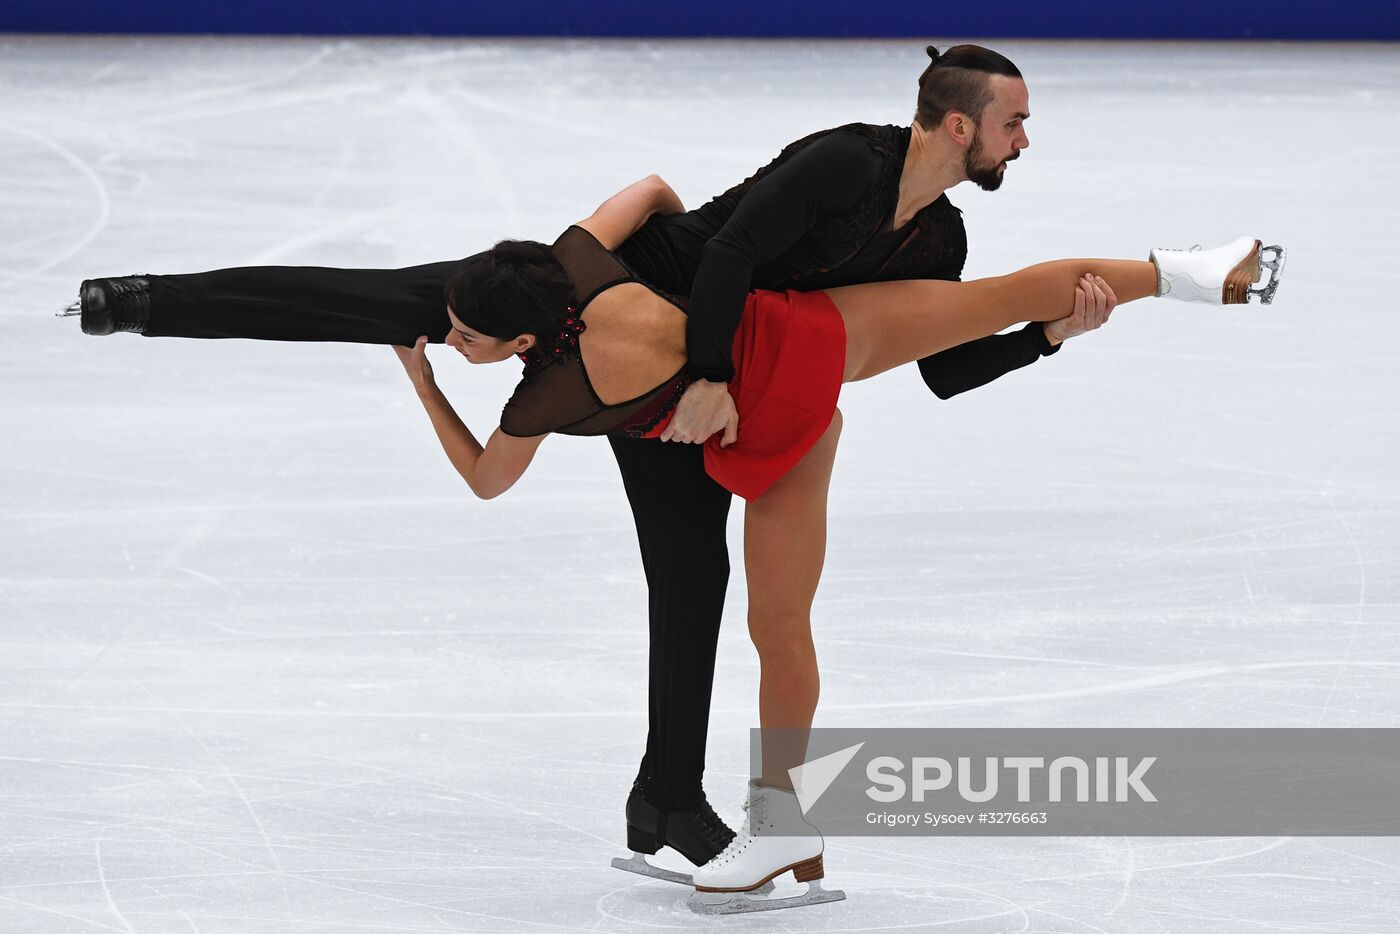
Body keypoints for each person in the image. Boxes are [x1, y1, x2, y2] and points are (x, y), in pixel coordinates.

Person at [69, 45, 1275, 879]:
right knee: (370, 297)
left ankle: (669, 800)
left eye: (470, 343)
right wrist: (655, 334)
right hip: (677, 366)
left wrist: (1049, 338)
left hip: (707, 384)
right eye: (1015, 120)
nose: (1028, 138)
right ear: (958, 122)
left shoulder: (940, 231)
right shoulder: (839, 161)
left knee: (699, 591)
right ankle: (140, 298)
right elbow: (727, 239)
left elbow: (940, 365)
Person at [386, 169, 1282, 906]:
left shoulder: (545, 394)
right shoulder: (579, 256)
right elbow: (655, 190)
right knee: (1002, 299)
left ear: (528, 337)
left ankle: (786, 823)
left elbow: (485, 480)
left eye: (470, 335)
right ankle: (1189, 272)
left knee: (778, 630)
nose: (457, 342)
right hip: (809, 340)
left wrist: (426, 384)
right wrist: (683, 253)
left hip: (776, 426)